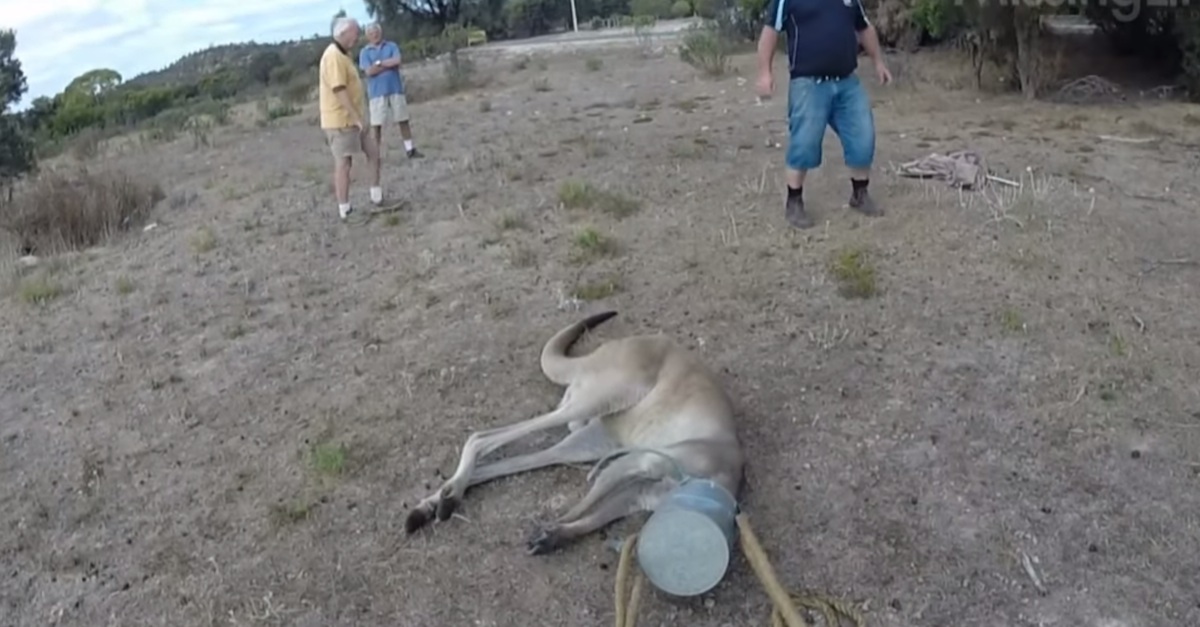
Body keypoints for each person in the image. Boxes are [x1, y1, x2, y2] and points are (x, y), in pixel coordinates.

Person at [755, 0, 893, 229]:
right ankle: (794, 201)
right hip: (809, 85)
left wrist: (878, 62)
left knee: (863, 138)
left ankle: (860, 195)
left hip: (848, 83)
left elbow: (864, 27)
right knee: (804, 143)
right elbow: (770, 32)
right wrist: (764, 73)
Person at [318, 16, 383, 220]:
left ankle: (377, 198)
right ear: (343, 33)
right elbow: (339, 89)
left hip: (354, 120)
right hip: (341, 121)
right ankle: (345, 210)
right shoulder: (333, 56)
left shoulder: (344, 54)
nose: (358, 36)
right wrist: (356, 117)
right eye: (355, 32)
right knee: (344, 164)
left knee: (374, 153)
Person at [359, 22, 423, 159]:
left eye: (376, 32)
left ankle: (410, 150)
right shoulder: (364, 52)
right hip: (376, 93)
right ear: (367, 36)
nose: (374, 35)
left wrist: (379, 64)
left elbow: (397, 61)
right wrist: (388, 64)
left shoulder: (391, 46)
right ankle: (375, 156)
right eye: (371, 33)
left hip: (395, 89)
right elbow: (369, 71)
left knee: (403, 119)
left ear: (380, 32)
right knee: (376, 125)